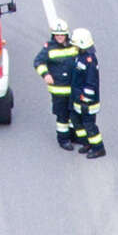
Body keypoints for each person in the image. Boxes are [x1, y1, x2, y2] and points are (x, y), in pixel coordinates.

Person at [32, 20, 78, 150]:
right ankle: (63, 140)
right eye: (57, 35)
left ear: (66, 35)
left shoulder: (73, 47)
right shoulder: (49, 48)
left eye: (62, 34)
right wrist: (45, 74)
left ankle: (73, 136)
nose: (59, 37)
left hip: (73, 89)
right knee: (62, 116)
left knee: (74, 114)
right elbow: (38, 62)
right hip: (58, 90)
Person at [68, 28, 105, 159]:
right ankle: (87, 143)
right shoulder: (81, 56)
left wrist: (85, 99)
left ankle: (98, 148)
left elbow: (91, 83)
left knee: (89, 125)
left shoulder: (89, 61)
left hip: (87, 102)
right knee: (77, 121)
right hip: (79, 99)